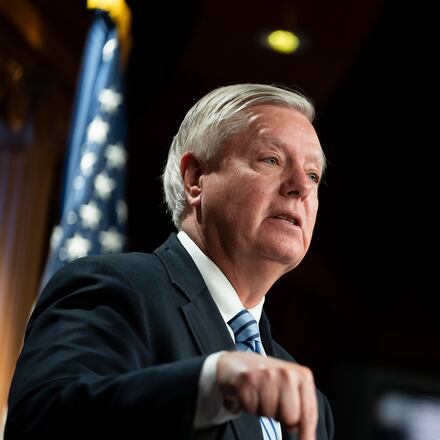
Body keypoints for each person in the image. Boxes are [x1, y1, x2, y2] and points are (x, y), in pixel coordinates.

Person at [5, 84, 334, 440]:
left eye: (314, 175)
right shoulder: (116, 289)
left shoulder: (309, 400)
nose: (301, 185)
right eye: (271, 159)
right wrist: (212, 383)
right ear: (195, 179)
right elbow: (41, 422)